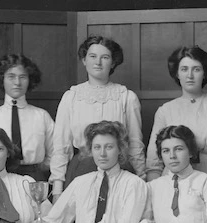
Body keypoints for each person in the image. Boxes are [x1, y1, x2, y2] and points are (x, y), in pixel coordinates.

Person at [145, 46, 207, 211]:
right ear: (177, 73)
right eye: (184, 69)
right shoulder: (165, 110)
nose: (189, 75)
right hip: (172, 181)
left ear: (204, 73)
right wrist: (155, 192)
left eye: (196, 69)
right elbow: (153, 161)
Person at [49, 36, 146, 202]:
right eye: (92, 56)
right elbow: (61, 146)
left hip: (119, 170)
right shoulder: (71, 97)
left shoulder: (126, 97)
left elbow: (135, 144)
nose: (98, 62)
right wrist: (57, 188)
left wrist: (142, 180)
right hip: (81, 169)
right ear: (84, 60)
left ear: (113, 63)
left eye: (105, 57)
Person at [0, 54, 55, 182]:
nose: (17, 82)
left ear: (30, 80)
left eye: (23, 77)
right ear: (2, 79)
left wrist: (36, 169)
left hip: (33, 179)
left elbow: (55, 154)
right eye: (11, 77)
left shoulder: (42, 116)